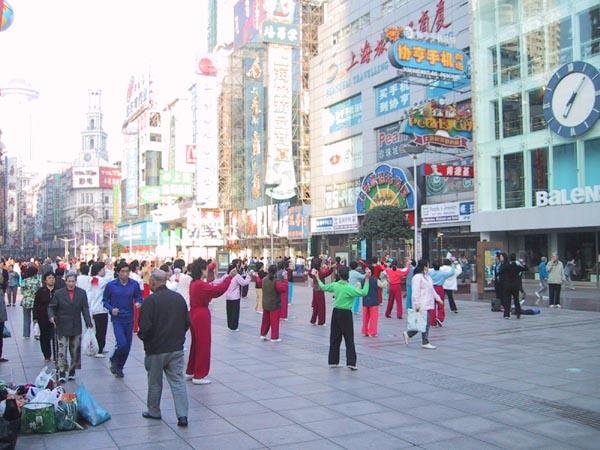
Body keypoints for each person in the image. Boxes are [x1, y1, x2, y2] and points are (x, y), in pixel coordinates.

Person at [138, 269, 191, 427]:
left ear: (153, 282)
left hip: (156, 349)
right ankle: (182, 415)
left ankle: (154, 411)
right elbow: (186, 322)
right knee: (178, 382)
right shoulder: (178, 298)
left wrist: (145, 339)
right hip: (176, 347)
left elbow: (145, 327)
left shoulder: (150, 301)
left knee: (155, 382)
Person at [185, 260, 237, 384]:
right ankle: (199, 375)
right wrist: (229, 277)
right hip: (201, 315)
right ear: (201, 270)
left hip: (194, 313)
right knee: (203, 344)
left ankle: (191, 370)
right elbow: (218, 291)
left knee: (196, 344)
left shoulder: (194, 283)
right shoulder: (200, 284)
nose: (207, 271)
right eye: (206, 269)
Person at [314, 265, 370, 370]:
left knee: (335, 338)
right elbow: (364, 292)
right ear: (348, 275)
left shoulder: (335, 285)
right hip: (346, 313)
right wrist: (367, 280)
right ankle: (351, 362)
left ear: (339, 275)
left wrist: (317, 278)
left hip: (336, 312)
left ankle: (333, 361)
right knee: (349, 338)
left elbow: (323, 287)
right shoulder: (349, 288)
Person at [48, 272, 93, 382]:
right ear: (65, 281)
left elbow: (85, 308)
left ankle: (72, 370)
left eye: (73, 281)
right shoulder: (59, 293)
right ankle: (62, 371)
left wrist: (88, 322)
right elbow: (51, 307)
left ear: (76, 282)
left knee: (75, 350)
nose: (71, 284)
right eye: (69, 281)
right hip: (62, 324)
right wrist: (51, 316)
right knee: (62, 350)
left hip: (75, 325)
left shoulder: (81, 293)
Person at [103, 262, 143, 378]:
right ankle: (114, 358)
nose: (125, 274)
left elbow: (139, 296)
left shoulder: (134, 284)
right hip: (117, 319)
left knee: (127, 346)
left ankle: (119, 366)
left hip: (129, 318)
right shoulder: (111, 285)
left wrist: (139, 302)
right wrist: (111, 309)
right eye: (122, 272)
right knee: (121, 343)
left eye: (127, 271)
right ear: (118, 272)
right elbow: (105, 300)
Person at [403, 260, 442, 349]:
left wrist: (438, 298)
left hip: (427, 302)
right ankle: (425, 341)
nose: (428, 268)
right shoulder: (417, 277)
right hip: (421, 304)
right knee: (425, 323)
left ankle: (409, 334)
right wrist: (416, 304)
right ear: (424, 267)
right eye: (427, 266)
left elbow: (431, 289)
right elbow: (415, 292)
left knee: (423, 323)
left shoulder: (427, 277)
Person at [81, 261, 114, 357]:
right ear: (98, 271)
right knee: (100, 331)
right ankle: (98, 350)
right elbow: (110, 279)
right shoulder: (98, 280)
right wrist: (109, 270)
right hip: (99, 309)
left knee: (101, 330)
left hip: (98, 308)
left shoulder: (95, 279)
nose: (105, 271)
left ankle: (101, 347)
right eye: (103, 269)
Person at [33, 272, 57, 362]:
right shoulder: (41, 291)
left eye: (53, 278)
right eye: (49, 278)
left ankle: (57, 355)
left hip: (56, 317)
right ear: (45, 280)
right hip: (43, 317)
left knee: (56, 336)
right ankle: (47, 355)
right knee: (44, 336)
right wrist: (35, 317)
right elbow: (36, 304)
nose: (51, 280)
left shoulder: (58, 291)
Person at [260, 265, 287, 342]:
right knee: (274, 321)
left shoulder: (264, 279)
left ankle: (263, 334)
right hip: (274, 304)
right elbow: (283, 289)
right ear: (276, 271)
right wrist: (285, 280)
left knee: (265, 321)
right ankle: (274, 337)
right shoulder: (275, 281)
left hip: (266, 303)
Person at [223, 260, 250, 331]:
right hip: (235, 297)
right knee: (235, 312)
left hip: (228, 297)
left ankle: (229, 325)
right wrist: (248, 276)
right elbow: (244, 283)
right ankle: (234, 327)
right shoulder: (237, 276)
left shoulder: (226, 276)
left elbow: (219, 281)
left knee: (229, 312)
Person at [499, 253, 528, 319]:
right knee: (516, 299)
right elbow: (526, 269)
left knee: (507, 300)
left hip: (508, 285)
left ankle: (506, 315)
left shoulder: (507, 266)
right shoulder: (517, 267)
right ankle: (518, 313)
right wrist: (523, 263)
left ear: (509, 259)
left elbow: (500, 272)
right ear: (515, 259)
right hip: (515, 285)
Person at [361, 261, 386, 337]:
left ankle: (364, 331)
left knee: (365, 318)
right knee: (373, 318)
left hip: (365, 301)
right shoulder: (375, 280)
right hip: (374, 301)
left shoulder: (363, 280)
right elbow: (383, 285)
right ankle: (372, 332)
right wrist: (386, 280)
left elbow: (359, 289)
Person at [427, 262, 455, 327]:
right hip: (440, 288)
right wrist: (453, 265)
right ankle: (440, 318)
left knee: (432, 305)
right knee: (440, 304)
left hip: (432, 288)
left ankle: (433, 322)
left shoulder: (430, 273)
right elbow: (452, 272)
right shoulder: (442, 273)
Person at [309, 258, 334, 326]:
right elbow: (326, 273)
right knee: (321, 306)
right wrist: (331, 268)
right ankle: (321, 321)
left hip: (315, 289)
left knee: (316, 306)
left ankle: (313, 320)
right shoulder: (318, 272)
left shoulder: (312, 270)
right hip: (319, 289)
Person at [20, 266, 39, 339]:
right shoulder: (37, 282)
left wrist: (26, 294)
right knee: (36, 318)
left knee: (26, 318)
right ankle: (36, 334)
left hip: (26, 301)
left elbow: (22, 291)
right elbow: (39, 291)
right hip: (35, 302)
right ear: (35, 274)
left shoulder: (24, 281)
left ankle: (26, 335)